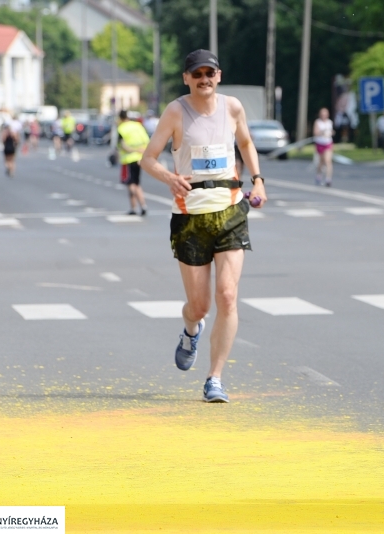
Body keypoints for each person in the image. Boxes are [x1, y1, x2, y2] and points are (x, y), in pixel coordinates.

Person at [140, 49, 267, 403]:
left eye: (209, 73)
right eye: (197, 74)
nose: (204, 79)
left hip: (229, 211)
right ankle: (190, 331)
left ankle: (215, 378)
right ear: (186, 78)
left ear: (219, 76)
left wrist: (257, 179)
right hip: (190, 218)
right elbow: (147, 158)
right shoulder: (176, 112)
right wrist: (168, 176)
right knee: (200, 306)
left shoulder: (233, 107)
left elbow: (245, 142)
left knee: (228, 296)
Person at [117, 109, 150, 216]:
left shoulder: (121, 128)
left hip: (128, 159)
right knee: (137, 183)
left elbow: (122, 145)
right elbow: (146, 141)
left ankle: (134, 208)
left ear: (120, 118)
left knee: (130, 184)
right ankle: (143, 205)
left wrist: (133, 150)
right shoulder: (138, 126)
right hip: (140, 158)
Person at [313, 108, 334, 187]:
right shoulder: (318, 122)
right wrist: (322, 132)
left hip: (328, 143)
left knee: (328, 161)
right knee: (321, 162)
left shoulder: (329, 122)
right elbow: (315, 132)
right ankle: (318, 175)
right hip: (320, 143)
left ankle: (328, 179)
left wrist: (330, 133)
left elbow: (331, 132)